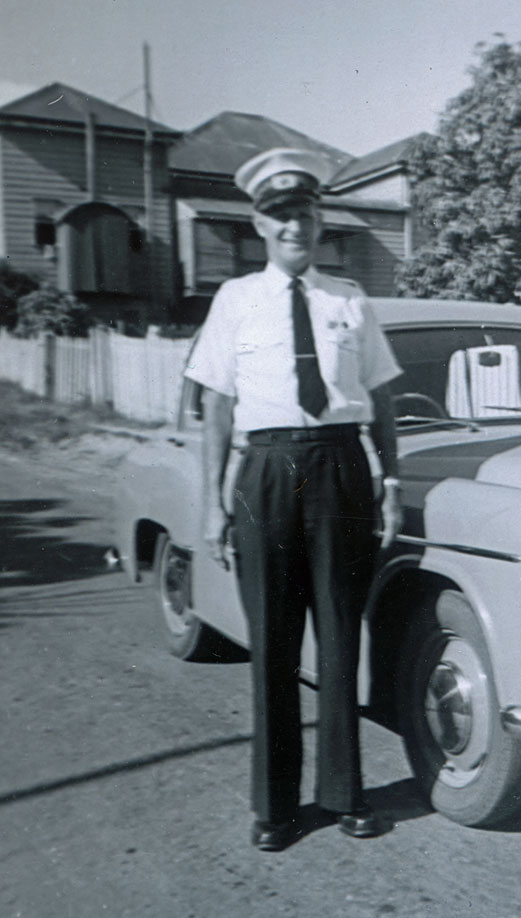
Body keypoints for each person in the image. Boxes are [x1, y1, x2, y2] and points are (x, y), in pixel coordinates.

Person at [185, 147, 403, 851]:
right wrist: (215, 503)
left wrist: (390, 480)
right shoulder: (234, 301)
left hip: (340, 468)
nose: (293, 227)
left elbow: (382, 401)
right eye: (279, 215)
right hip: (266, 472)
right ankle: (275, 807)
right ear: (257, 223)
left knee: (340, 637)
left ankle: (345, 794)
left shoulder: (349, 299)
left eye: (303, 213)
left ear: (318, 219)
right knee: (273, 644)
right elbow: (217, 408)